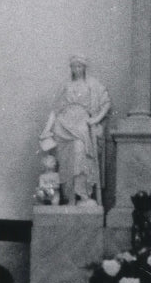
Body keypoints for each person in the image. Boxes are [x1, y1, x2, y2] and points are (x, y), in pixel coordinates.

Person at [39, 55, 111, 205]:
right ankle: (70, 197)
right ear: (71, 68)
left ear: (84, 68)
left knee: (80, 157)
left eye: (80, 66)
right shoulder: (66, 86)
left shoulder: (92, 84)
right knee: (65, 162)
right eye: (74, 66)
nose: (77, 69)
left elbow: (106, 104)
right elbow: (55, 110)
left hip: (81, 125)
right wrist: (46, 129)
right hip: (63, 125)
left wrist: (95, 120)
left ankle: (83, 195)